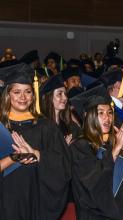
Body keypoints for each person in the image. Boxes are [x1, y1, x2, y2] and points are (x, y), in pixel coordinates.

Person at [0, 63, 70, 219]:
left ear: (33, 96)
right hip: (5, 202)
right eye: (17, 92)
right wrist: (13, 158)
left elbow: (63, 165)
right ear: (7, 94)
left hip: (36, 203)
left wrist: (36, 154)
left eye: (28, 92)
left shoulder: (46, 127)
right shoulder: (1, 128)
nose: (23, 97)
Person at [69, 89, 123, 220]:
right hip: (97, 214)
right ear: (87, 116)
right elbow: (93, 184)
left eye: (110, 113)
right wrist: (117, 149)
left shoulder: (111, 144)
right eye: (100, 113)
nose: (107, 118)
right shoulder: (80, 147)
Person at [40, 74, 81, 144]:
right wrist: (63, 147)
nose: (65, 98)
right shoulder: (42, 127)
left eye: (65, 94)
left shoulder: (69, 124)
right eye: (60, 94)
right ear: (49, 97)